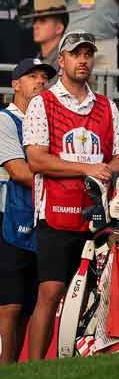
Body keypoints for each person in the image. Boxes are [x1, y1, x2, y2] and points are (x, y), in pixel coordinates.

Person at [22, 30, 119, 361]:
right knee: (50, 292)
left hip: (97, 215)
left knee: (93, 298)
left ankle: (75, 363)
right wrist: (88, 168)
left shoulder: (107, 106)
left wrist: (105, 169)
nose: (83, 60)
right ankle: (35, 367)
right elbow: (36, 160)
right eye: (76, 54)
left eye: (88, 54)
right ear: (61, 60)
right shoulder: (42, 103)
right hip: (55, 213)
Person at [0, 54, 52, 356]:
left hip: (44, 218)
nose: (40, 82)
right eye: (32, 76)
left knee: (31, 306)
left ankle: (25, 370)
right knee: (10, 305)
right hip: (9, 220)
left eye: (44, 77)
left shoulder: (49, 121)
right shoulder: (5, 120)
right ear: (16, 84)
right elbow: (19, 172)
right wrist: (64, 187)